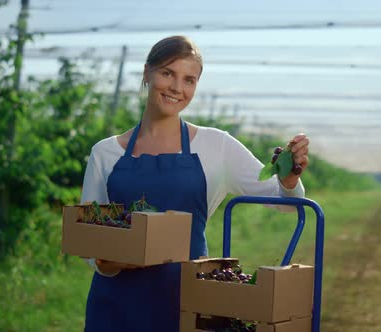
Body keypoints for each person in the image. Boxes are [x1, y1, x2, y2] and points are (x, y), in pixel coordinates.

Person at [80, 35, 310, 332]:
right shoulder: (106, 152)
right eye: (167, 73)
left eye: (189, 80)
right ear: (147, 72)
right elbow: (87, 237)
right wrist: (109, 263)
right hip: (117, 306)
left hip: (188, 301)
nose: (177, 88)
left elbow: (285, 204)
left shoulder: (217, 145)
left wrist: (289, 176)